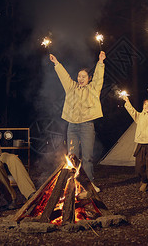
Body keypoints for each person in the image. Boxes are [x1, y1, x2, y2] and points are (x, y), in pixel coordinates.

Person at [49, 51, 106, 192]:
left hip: (87, 125)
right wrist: (57, 63)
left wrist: (100, 62)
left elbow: (99, 78)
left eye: (84, 77)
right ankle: (74, 184)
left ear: (89, 78)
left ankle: (89, 184)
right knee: (72, 157)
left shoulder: (93, 89)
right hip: (72, 126)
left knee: (87, 157)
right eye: (79, 76)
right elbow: (64, 77)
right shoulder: (71, 88)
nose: (80, 79)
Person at [122, 90, 148, 193]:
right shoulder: (139, 116)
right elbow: (131, 111)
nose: (147, 106)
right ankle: (144, 181)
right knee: (140, 166)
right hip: (141, 143)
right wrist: (127, 101)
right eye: (145, 104)